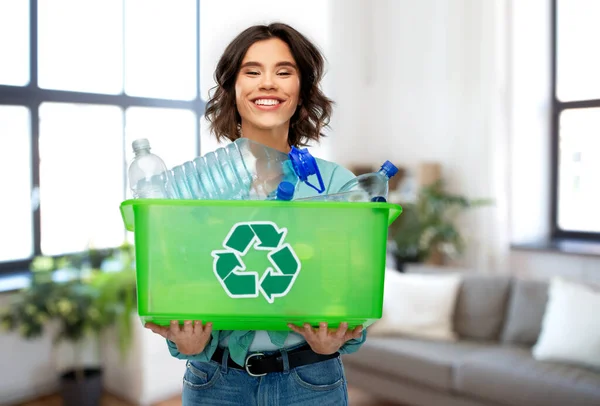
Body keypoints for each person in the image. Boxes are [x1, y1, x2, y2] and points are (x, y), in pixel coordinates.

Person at [144, 22, 368, 405]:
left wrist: (344, 333)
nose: (268, 83)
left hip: (310, 381)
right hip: (215, 380)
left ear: (303, 91)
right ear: (234, 87)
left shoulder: (337, 187)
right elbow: (177, 281)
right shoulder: (194, 189)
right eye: (252, 71)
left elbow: (354, 290)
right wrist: (185, 340)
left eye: (284, 72)